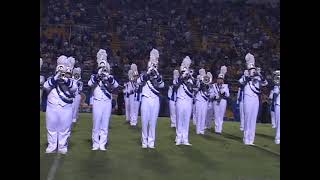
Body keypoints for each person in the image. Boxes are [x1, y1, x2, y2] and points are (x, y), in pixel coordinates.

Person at [43, 55, 77, 154]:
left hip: (66, 107)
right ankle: (52, 145)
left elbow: (74, 88)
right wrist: (56, 78)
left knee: (64, 128)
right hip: (52, 106)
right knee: (51, 127)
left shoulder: (71, 81)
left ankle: (62, 146)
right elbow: (45, 86)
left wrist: (65, 80)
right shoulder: (51, 79)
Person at [88, 49, 119, 151]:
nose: (102, 69)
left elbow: (116, 85)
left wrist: (108, 77)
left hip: (107, 102)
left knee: (105, 124)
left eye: (104, 68)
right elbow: (89, 84)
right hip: (97, 101)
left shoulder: (110, 77)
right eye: (101, 67)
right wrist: (98, 77)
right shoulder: (94, 76)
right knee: (96, 123)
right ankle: (95, 143)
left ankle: (102, 144)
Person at [137, 48, 164, 149]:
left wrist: (156, 75)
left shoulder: (158, 75)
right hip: (145, 99)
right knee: (144, 121)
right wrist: (148, 74)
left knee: (153, 122)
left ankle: (151, 142)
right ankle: (144, 141)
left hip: (155, 100)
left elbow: (162, 85)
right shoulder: (144, 74)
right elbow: (138, 82)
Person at [240, 53, 268, 145]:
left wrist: (260, 75)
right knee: (248, 118)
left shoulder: (257, 75)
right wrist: (249, 77)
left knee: (253, 119)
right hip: (248, 98)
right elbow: (240, 82)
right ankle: (246, 139)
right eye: (251, 69)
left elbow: (265, 83)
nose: (252, 71)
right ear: (248, 69)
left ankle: (251, 140)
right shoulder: (245, 75)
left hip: (255, 99)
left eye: (253, 69)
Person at [175, 56, 193, 146]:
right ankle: (178, 138)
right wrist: (182, 76)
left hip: (188, 100)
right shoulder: (179, 77)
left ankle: (185, 139)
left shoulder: (191, 76)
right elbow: (175, 85)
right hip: (180, 99)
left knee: (186, 120)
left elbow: (193, 88)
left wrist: (189, 76)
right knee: (179, 119)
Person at [212, 66, 230, 134]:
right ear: (217, 79)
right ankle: (217, 130)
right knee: (216, 115)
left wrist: (224, 92)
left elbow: (228, 95)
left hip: (223, 101)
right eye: (219, 79)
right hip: (215, 101)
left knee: (221, 115)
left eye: (221, 79)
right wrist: (214, 96)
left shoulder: (225, 86)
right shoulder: (214, 86)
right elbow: (211, 94)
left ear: (223, 80)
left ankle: (220, 129)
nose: (220, 80)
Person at [195, 69, 211, 135]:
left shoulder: (207, 79)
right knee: (198, 114)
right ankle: (198, 130)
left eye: (203, 72)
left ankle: (202, 130)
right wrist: (199, 81)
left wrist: (206, 82)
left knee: (203, 115)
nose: (202, 73)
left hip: (204, 100)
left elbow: (208, 88)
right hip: (198, 99)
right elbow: (197, 87)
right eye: (201, 72)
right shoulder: (198, 79)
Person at [272, 70, 280, 144]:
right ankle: (277, 138)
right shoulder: (277, 85)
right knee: (278, 122)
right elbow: (275, 94)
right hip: (279, 104)